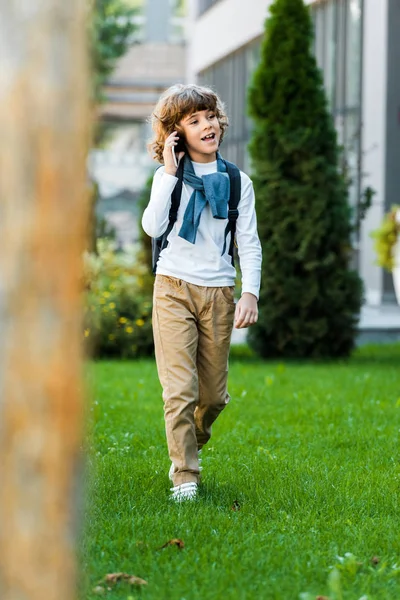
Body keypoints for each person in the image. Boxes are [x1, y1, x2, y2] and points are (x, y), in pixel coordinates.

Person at [142, 84, 262, 502]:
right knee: (179, 390)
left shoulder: (235, 180)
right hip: (172, 288)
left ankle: (189, 442)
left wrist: (251, 293)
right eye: (193, 121)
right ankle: (185, 476)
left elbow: (248, 241)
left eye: (209, 116)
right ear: (174, 135)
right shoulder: (167, 179)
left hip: (219, 293)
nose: (206, 125)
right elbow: (153, 228)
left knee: (211, 396)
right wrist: (171, 174)